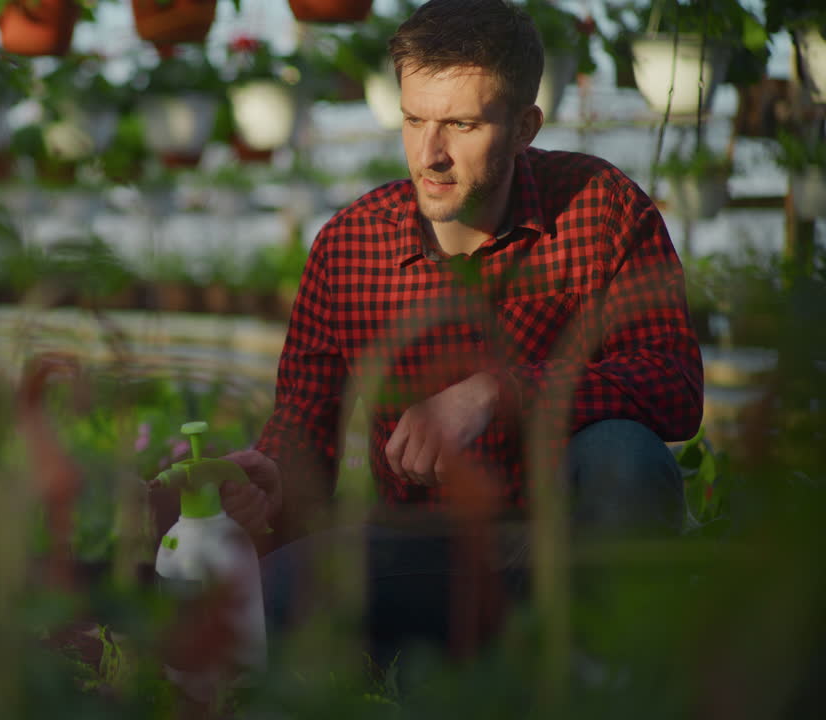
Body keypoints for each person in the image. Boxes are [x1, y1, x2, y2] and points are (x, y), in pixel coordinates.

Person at [214, 0, 704, 661]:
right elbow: (305, 421)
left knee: (625, 454)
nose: (430, 153)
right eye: (413, 119)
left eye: (461, 124)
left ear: (525, 125)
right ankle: (469, 670)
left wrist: (500, 393)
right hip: (427, 547)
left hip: (567, 534)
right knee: (278, 591)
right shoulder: (350, 246)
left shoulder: (601, 208)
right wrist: (274, 478)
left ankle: (605, 678)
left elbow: (674, 384)